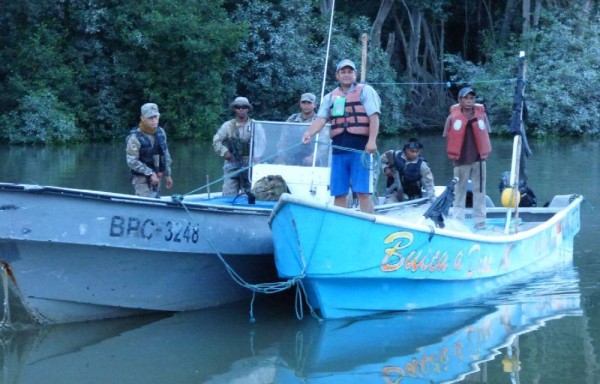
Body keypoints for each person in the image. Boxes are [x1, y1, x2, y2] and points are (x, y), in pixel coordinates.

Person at [301, 59, 381, 213]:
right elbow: (321, 118)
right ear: (337, 75)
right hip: (338, 151)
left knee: (363, 192)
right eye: (343, 72)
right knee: (339, 192)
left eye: (350, 71)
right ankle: (340, 225)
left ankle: (367, 224)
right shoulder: (330, 97)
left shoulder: (366, 91)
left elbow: (374, 116)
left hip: (360, 150)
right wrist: (308, 133)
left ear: (355, 74)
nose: (346, 75)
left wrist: (372, 142)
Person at [443, 87, 492, 229]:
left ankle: (480, 221)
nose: (470, 101)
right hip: (461, 160)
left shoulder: (481, 115)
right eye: (466, 98)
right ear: (460, 100)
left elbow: (487, 132)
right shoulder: (452, 117)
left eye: (472, 98)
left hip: (479, 159)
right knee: (459, 191)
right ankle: (458, 221)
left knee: (480, 191)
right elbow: (447, 136)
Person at [213, 96, 266, 197]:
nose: (241, 109)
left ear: (248, 109)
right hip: (231, 164)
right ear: (234, 109)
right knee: (228, 195)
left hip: (250, 165)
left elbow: (262, 143)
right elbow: (216, 141)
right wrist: (225, 152)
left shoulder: (256, 125)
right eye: (238, 107)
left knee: (250, 194)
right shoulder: (227, 126)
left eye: (244, 107)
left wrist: (257, 156)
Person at [126, 103, 173, 198]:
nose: (154, 121)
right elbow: (132, 161)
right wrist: (150, 173)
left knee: (157, 202)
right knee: (145, 204)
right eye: (150, 118)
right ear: (143, 118)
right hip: (141, 180)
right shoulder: (135, 137)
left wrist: (167, 174)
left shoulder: (161, 132)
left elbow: (165, 154)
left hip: (157, 177)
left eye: (156, 117)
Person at [380, 138, 436, 204]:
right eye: (412, 151)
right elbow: (381, 160)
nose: (415, 154)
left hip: (414, 198)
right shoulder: (394, 155)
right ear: (406, 149)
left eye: (417, 152)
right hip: (394, 194)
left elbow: (429, 183)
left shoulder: (422, 165)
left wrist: (433, 199)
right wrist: (385, 168)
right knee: (388, 204)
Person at [277, 92, 319, 165]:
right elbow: (283, 139)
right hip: (291, 158)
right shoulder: (292, 119)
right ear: (300, 104)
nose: (306, 105)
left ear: (314, 105)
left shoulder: (319, 121)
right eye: (303, 102)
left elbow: (323, 144)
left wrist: (313, 157)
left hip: (312, 161)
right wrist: (281, 155)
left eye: (309, 103)